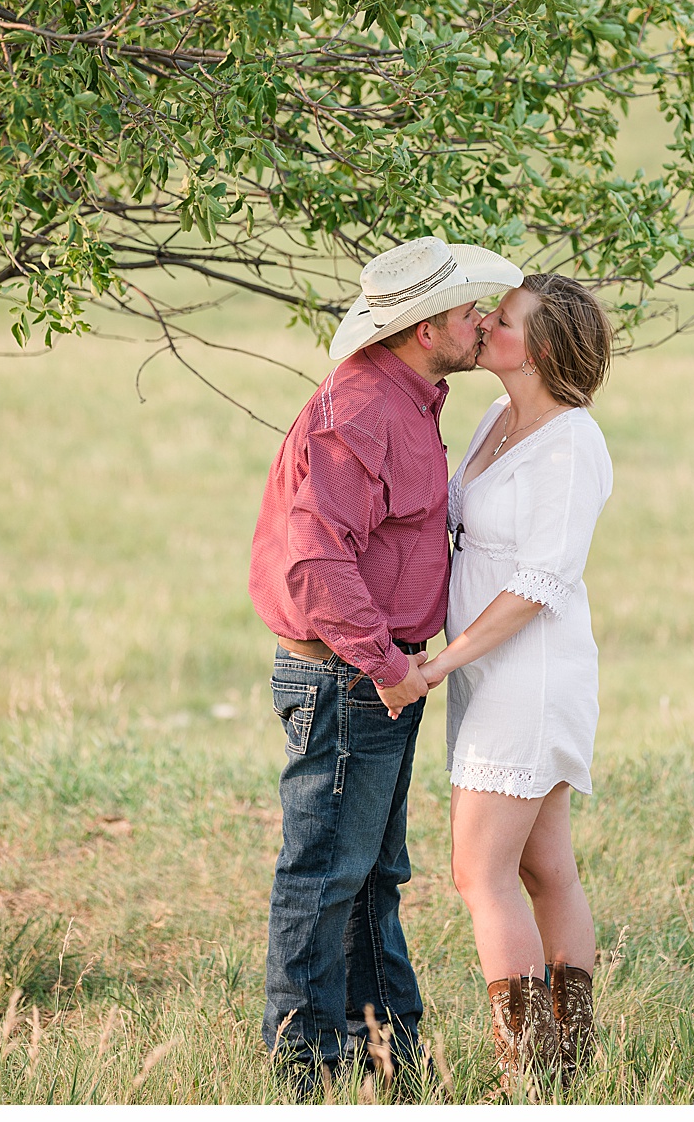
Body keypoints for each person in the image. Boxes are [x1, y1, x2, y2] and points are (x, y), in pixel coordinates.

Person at [248, 236, 521, 1088]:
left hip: (373, 674)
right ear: (425, 327)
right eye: (471, 311)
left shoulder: (411, 397)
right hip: (349, 674)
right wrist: (386, 666)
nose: (484, 322)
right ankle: (305, 1069)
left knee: (371, 877)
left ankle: (388, 1056)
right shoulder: (363, 410)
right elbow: (316, 557)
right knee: (327, 875)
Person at [413, 274, 613, 1083]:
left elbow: (540, 584)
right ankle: (571, 1068)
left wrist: (439, 664)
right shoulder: (498, 417)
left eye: (507, 318)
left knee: (479, 871)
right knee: (542, 867)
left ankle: (529, 1076)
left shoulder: (572, 444)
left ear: (542, 347)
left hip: (527, 675)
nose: (488, 322)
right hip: (487, 670)